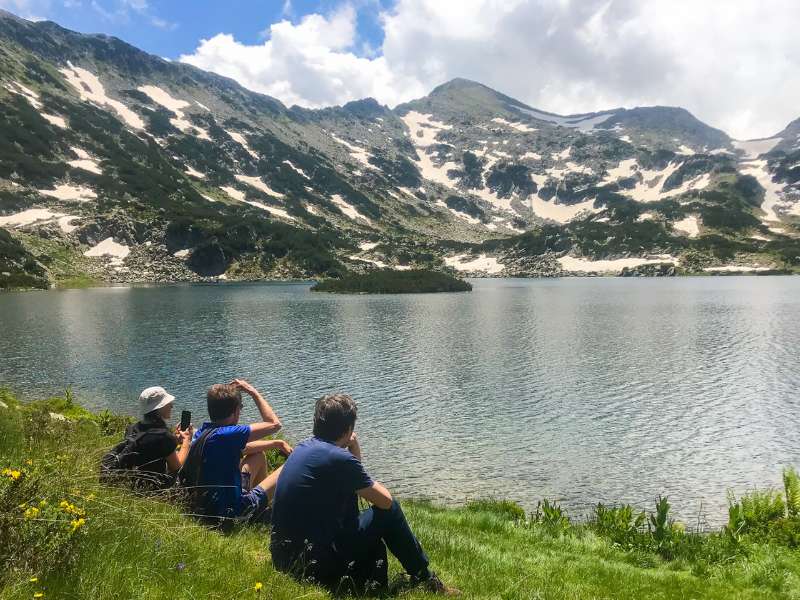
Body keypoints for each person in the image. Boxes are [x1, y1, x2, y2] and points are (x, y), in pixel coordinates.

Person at [270, 393, 459, 595]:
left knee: (373, 539)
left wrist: (351, 449)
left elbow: (352, 484)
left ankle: (375, 583)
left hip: (284, 559)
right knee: (391, 509)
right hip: (316, 566)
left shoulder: (303, 448)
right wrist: (352, 449)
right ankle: (425, 577)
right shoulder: (338, 458)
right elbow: (384, 501)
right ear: (348, 428)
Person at [181, 379, 291, 527]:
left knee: (258, 455)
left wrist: (275, 443)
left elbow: (246, 448)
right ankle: (258, 512)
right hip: (231, 513)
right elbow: (274, 424)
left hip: (206, 507)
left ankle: (262, 509)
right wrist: (253, 392)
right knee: (289, 465)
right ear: (235, 412)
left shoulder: (203, 433)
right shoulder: (227, 434)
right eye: (241, 407)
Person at [100, 386, 193, 490]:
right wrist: (186, 442)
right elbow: (176, 467)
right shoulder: (163, 436)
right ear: (159, 409)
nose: (171, 406)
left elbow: (149, 446)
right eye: (168, 404)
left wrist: (174, 440)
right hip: (154, 489)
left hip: (134, 485)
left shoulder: (132, 428)